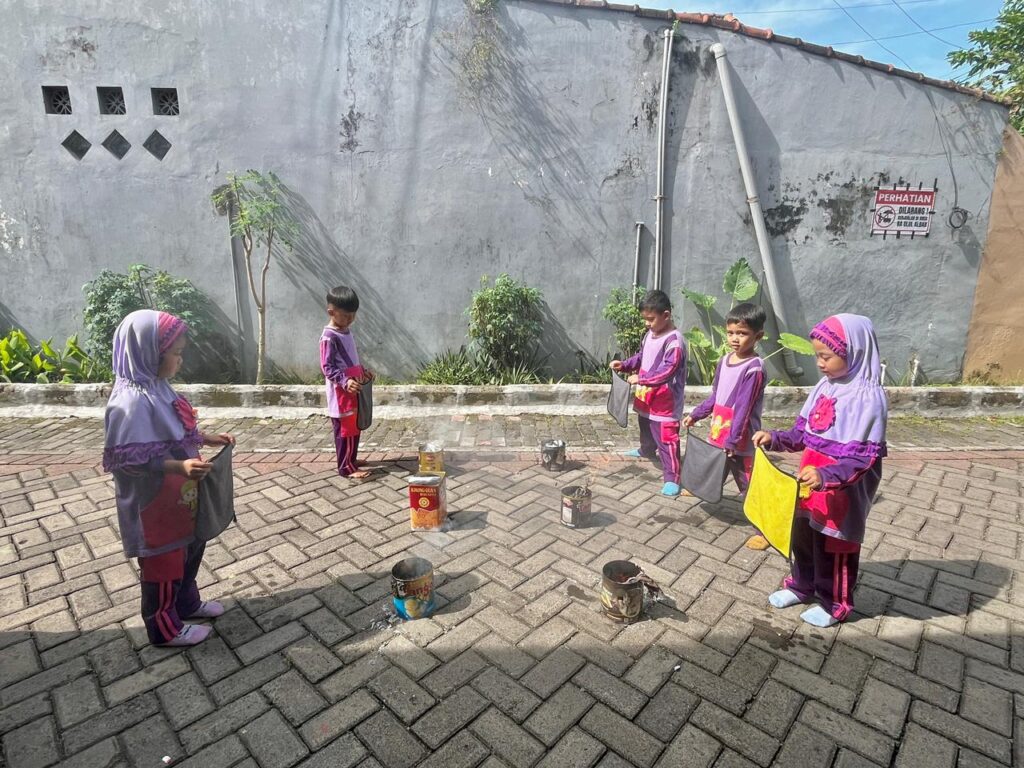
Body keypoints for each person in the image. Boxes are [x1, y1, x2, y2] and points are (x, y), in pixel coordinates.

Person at [103, 310, 235, 647]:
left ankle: (186, 603)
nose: (180, 360)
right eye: (175, 353)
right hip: (154, 504)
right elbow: (127, 462)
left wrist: (205, 438)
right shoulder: (129, 404)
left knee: (189, 548)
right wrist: (177, 467)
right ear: (148, 354)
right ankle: (164, 628)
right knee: (163, 561)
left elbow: (176, 430)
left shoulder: (159, 388)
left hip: (180, 497)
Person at [752, 314, 888, 627]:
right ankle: (802, 585)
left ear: (854, 352)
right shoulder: (824, 387)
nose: (820, 363)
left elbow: (863, 459)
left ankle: (834, 603)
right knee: (803, 536)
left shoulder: (869, 398)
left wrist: (827, 476)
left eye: (826, 356)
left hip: (840, 492)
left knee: (835, 546)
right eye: (817, 356)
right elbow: (802, 433)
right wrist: (775, 438)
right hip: (809, 484)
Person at [683, 302, 767, 503]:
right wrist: (696, 414)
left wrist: (733, 439)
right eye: (730, 333)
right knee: (718, 462)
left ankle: (762, 512)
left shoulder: (754, 368)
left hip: (740, 434)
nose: (734, 338)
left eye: (742, 333)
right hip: (720, 427)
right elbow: (716, 395)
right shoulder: (725, 360)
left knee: (745, 475)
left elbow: (744, 408)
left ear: (758, 336)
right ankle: (703, 489)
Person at [611, 289, 688, 496]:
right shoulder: (649, 335)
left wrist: (641, 379)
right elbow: (642, 356)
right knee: (645, 425)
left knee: (667, 439)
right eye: (644, 319)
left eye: (651, 319)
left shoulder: (674, 342)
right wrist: (625, 365)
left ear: (666, 315)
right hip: (647, 397)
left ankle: (672, 477)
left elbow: (668, 371)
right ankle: (646, 449)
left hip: (665, 403)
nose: (647, 323)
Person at [320, 285, 374, 479]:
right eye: (345, 316)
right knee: (345, 430)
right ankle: (346, 467)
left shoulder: (346, 331)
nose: (350, 319)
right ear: (331, 312)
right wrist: (344, 381)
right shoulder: (329, 337)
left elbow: (351, 359)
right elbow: (327, 367)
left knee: (354, 426)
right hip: (342, 393)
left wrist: (363, 372)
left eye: (353, 315)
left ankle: (351, 459)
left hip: (354, 388)